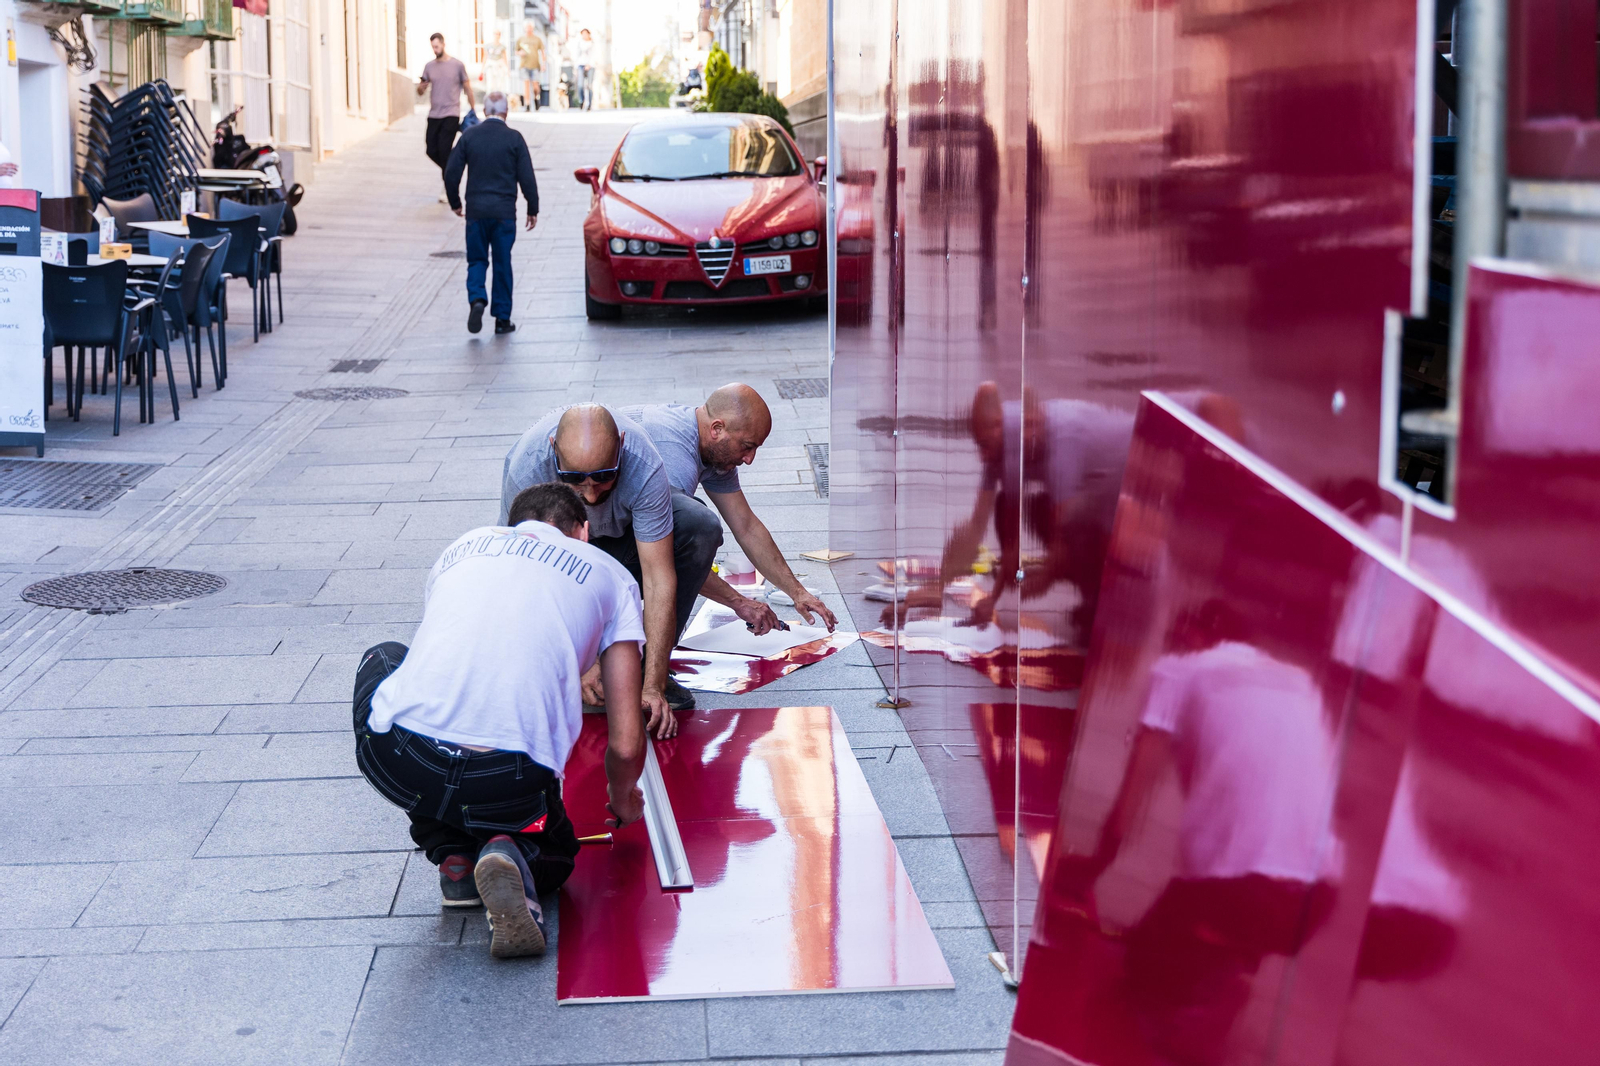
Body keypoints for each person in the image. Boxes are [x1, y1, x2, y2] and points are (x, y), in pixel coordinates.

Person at [352, 482, 647, 959]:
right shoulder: (611, 576)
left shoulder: (464, 545)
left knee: (384, 656)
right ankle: (513, 851)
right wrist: (623, 797)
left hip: (402, 759)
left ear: (512, 526)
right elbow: (627, 742)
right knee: (559, 854)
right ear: (583, 533)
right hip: (508, 774)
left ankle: (453, 856)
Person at [500, 403, 709, 724]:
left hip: (622, 542)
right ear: (554, 449)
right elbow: (526, 578)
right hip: (553, 557)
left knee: (699, 525)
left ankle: (644, 667)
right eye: (574, 479)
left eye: (604, 477)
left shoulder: (643, 463)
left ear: (621, 446)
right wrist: (581, 664)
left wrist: (652, 686)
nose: (591, 495)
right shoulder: (528, 470)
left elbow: (658, 579)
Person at [619, 385, 837, 636]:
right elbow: (668, 552)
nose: (749, 459)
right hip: (595, 553)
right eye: (747, 446)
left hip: (616, 540)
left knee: (689, 524)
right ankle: (649, 651)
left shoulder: (712, 449)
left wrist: (798, 593)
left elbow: (746, 527)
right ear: (717, 429)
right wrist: (739, 603)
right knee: (695, 528)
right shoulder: (673, 456)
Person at [444, 90, 539, 335]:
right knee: (502, 261)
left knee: (477, 259)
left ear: (485, 111)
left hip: (476, 212)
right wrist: (532, 207)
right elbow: (527, 176)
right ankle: (502, 319)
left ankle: (477, 298)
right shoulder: (514, 139)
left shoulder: (469, 136)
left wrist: (455, 202)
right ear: (506, 111)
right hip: (504, 213)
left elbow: (451, 172)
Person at [417, 33, 475, 203]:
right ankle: (452, 171)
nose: (435, 50)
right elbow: (420, 91)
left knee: (444, 150)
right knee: (430, 149)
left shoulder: (457, 65)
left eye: (437, 46)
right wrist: (421, 87)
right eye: (432, 47)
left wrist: (473, 109)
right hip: (434, 114)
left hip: (451, 113)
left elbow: (467, 87)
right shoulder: (429, 66)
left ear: (443, 44)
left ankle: (448, 187)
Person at [517, 24, 544, 111]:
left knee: (535, 86)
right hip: (524, 65)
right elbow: (516, 51)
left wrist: (543, 64)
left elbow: (542, 51)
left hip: (535, 65)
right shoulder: (521, 39)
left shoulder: (537, 39)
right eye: (527, 28)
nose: (528, 30)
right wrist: (520, 53)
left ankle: (536, 99)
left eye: (530, 28)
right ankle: (527, 104)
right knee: (526, 85)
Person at [484, 30, 511, 99]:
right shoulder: (488, 46)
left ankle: (499, 99)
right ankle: (490, 99)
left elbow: (505, 58)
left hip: (499, 66)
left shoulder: (502, 47)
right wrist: (482, 70)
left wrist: (507, 69)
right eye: (496, 34)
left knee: (499, 84)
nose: (497, 36)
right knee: (490, 84)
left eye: (498, 34)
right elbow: (485, 57)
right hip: (491, 66)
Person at [574, 28, 595, 110]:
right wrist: (576, 67)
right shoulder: (579, 43)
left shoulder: (592, 43)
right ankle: (581, 101)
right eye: (583, 34)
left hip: (591, 66)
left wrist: (589, 64)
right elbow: (577, 55)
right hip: (580, 65)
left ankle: (589, 103)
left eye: (585, 34)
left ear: (589, 34)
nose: (584, 35)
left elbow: (594, 55)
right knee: (580, 85)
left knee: (589, 85)